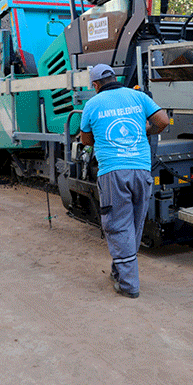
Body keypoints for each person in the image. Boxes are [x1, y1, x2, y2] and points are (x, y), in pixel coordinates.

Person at [79, 64, 169, 298]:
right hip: (141, 169)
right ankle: (120, 269)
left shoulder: (92, 104)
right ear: (114, 78)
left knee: (118, 225)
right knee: (134, 225)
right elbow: (163, 121)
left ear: (96, 85)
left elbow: (86, 140)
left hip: (113, 172)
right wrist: (144, 129)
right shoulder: (137, 96)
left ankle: (129, 285)